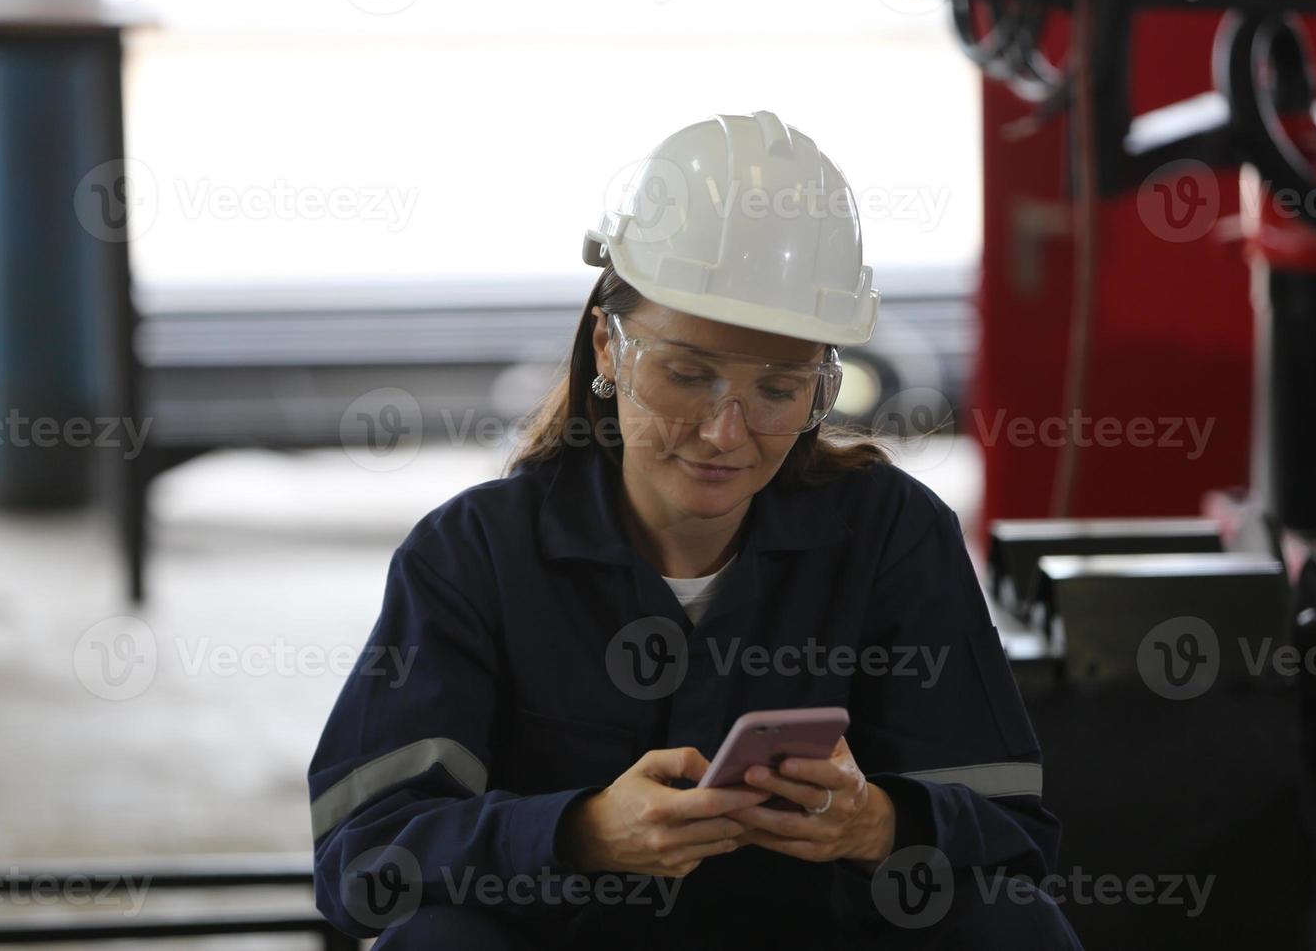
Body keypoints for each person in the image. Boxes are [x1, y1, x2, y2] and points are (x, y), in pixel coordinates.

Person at [307, 111, 1083, 949]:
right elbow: (364, 864)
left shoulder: (890, 536)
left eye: (780, 390)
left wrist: (880, 824)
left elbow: (1015, 840)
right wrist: (580, 835)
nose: (726, 432)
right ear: (607, 347)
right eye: (686, 375)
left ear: (825, 385)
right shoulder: (473, 558)